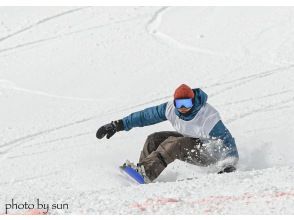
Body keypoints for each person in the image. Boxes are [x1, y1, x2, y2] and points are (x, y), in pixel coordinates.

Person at [96, 84, 239, 183]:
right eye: (179, 104)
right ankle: (141, 170)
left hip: (207, 153)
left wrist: (230, 164)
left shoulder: (208, 117)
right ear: (175, 102)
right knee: (154, 139)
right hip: (190, 141)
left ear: (193, 101)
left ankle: (147, 172)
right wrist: (119, 124)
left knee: (175, 144)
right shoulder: (170, 109)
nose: (183, 108)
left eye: (187, 104)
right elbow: (145, 116)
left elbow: (226, 139)